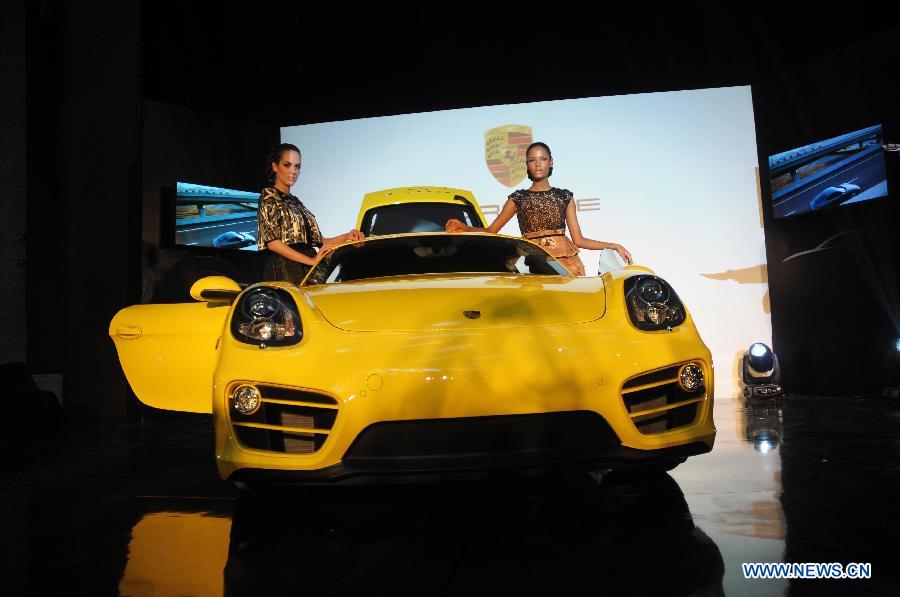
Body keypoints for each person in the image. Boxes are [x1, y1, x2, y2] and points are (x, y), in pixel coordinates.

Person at [446, 142, 632, 275]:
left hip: (568, 266)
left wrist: (614, 245)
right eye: (532, 160)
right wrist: (464, 227)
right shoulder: (519, 198)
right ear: (526, 165)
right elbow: (491, 231)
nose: (537, 164)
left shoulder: (564, 196)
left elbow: (579, 240)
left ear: (550, 162)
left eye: (542, 159)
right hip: (535, 264)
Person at [257, 143, 364, 284]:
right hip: (285, 270)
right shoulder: (269, 198)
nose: (293, 171)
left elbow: (321, 242)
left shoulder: (296, 203)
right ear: (275, 166)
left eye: (297, 166)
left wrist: (348, 236)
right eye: (287, 165)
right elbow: (273, 244)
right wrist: (311, 260)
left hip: (308, 269)